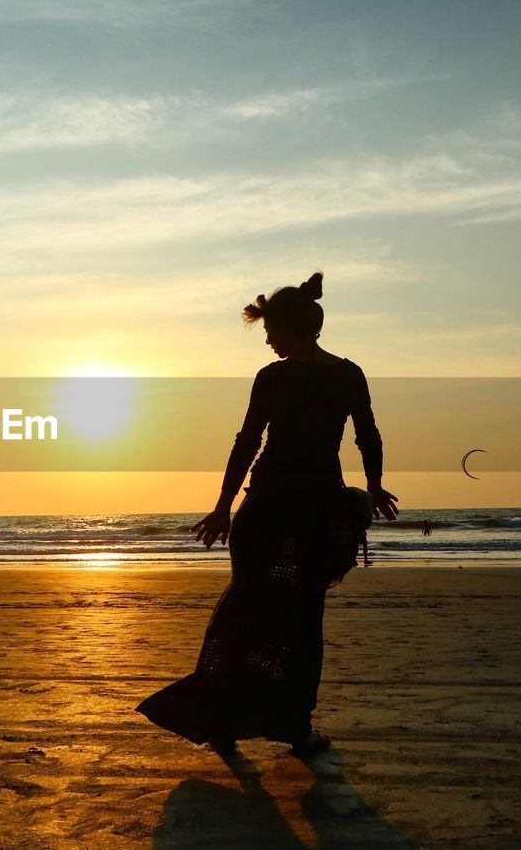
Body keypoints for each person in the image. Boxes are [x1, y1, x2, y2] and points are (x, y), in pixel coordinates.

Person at [136, 271, 398, 759]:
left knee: (246, 614)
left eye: (271, 332)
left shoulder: (275, 377)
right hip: (312, 507)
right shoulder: (347, 374)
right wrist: (375, 485)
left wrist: (223, 506)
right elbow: (368, 436)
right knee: (300, 620)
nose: (269, 342)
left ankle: (227, 721)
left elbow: (247, 443)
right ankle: (294, 729)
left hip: (266, 508)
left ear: (290, 327)